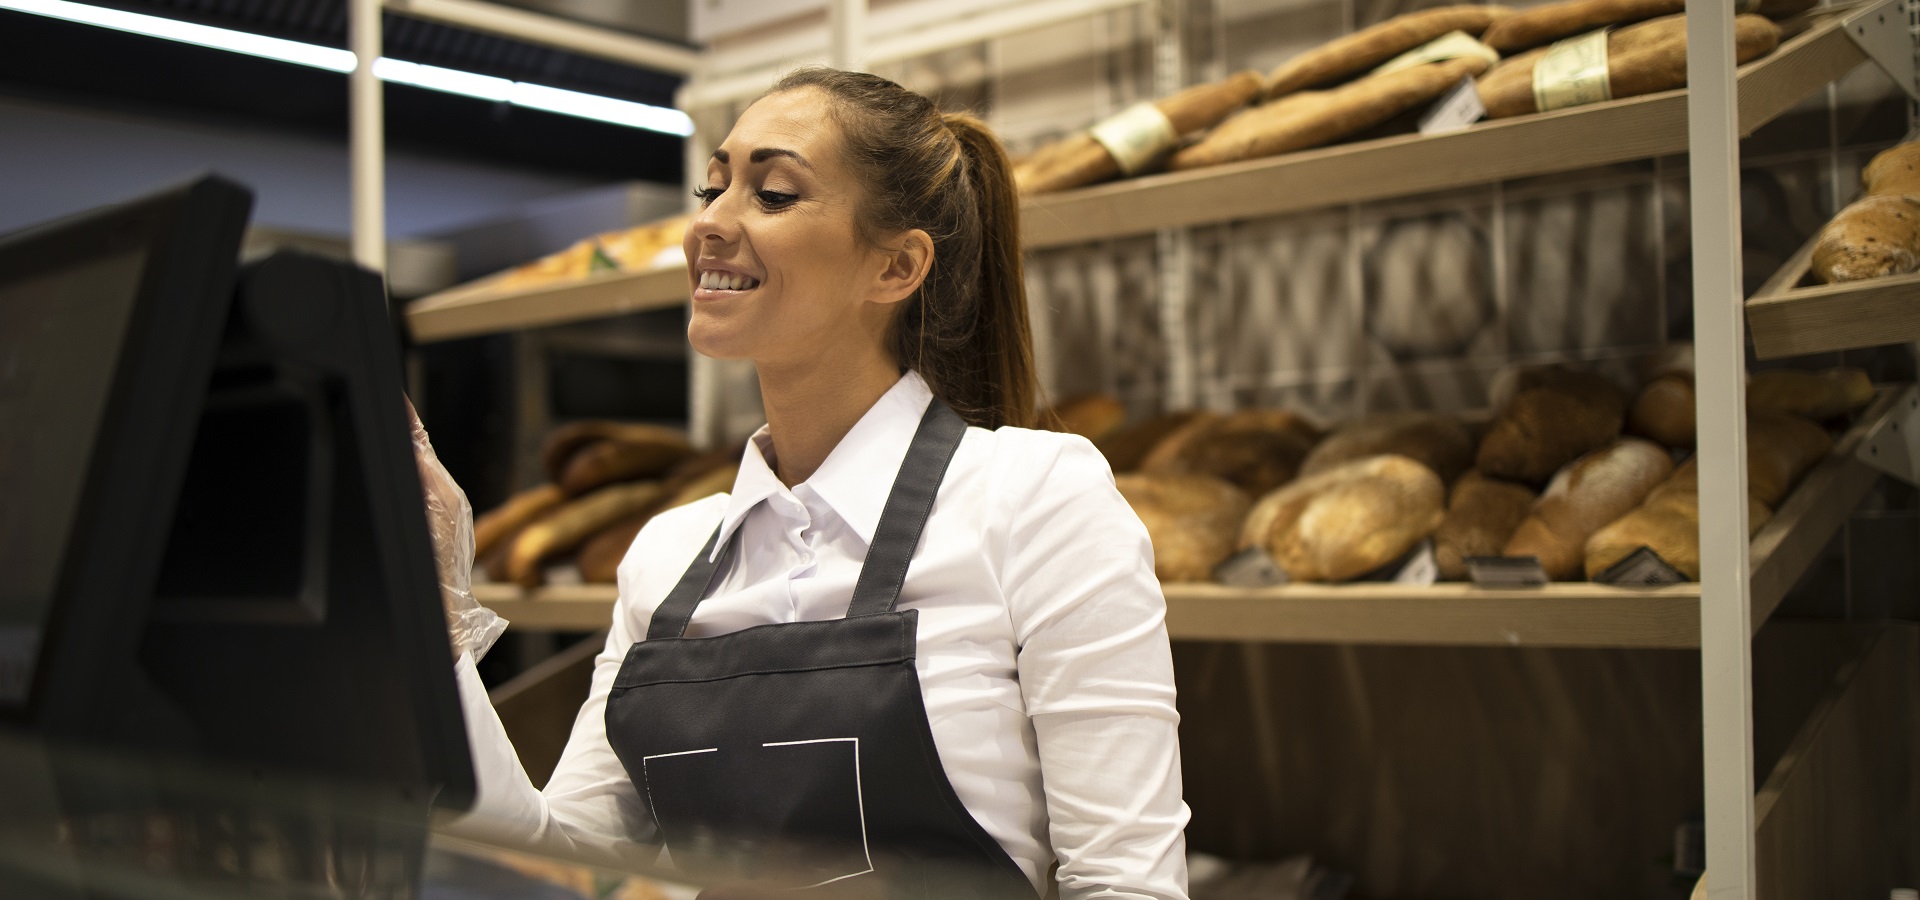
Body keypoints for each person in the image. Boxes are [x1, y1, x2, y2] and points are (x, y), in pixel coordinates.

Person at [424, 68, 1189, 899]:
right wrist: (436, 606)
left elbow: (1126, 882)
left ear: (897, 267)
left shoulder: (1034, 499)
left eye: (773, 194)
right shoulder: (667, 555)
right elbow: (560, 864)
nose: (709, 223)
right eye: (711, 187)